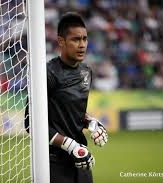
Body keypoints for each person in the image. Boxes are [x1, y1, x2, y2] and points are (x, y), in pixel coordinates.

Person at [25, 12, 108, 183]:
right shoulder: (47, 73)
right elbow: (30, 124)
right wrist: (70, 146)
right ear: (61, 41)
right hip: (54, 164)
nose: (82, 45)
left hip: (82, 160)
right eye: (76, 39)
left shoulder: (86, 71)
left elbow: (74, 112)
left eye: (85, 39)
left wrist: (91, 123)